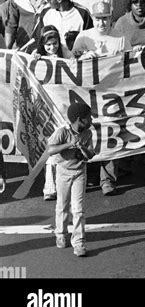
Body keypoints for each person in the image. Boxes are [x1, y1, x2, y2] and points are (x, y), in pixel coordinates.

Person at [47, 102, 95, 256]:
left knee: (78, 209)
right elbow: (50, 150)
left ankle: (79, 242)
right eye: (89, 117)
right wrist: (69, 144)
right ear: (80, 119)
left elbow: (90, 156)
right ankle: (61, 234)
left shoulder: (88, 134)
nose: (92, 120)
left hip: (80, 172)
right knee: (62, 205)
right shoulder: (62, 132)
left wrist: (82, 148)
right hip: (63, 172)